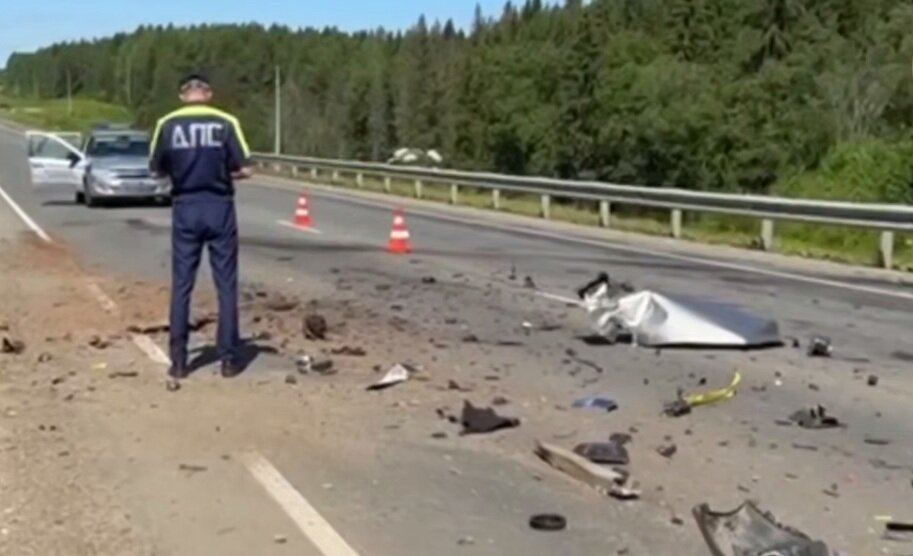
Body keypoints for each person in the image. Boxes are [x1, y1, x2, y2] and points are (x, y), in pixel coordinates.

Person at [149, 73, 253, 379]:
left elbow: (156, 171)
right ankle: (229, 359)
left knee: (182, 284)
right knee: (226, 284)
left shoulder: (166, 124)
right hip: (219, 206)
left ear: (183, 96)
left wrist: (182, 175)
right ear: (207, 94)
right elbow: (246, 168)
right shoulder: (226, 122)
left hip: (185, 206)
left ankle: (180, 361)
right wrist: (223, 175)